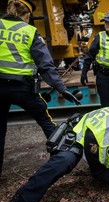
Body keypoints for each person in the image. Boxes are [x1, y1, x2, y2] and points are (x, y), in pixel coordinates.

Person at [3, 105, 109, 202]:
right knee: (63, 162)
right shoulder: (97, 137)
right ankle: (21, 199)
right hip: (81, 133)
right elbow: (97, 172)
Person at [0, 0, 80, 178]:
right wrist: (61, 88)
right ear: (27, 15)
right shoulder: (29, 31)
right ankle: (59, 159)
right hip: (23, 89)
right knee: (45, 120)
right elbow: (45, 66)